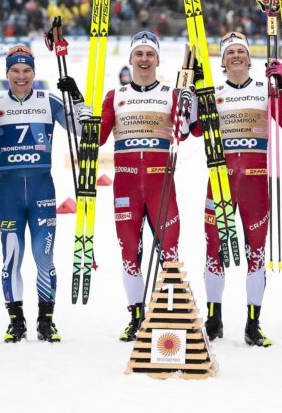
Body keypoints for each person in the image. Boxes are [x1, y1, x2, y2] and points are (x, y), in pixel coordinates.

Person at [0, 45, 90, 343]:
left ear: (34, 72)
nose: (21, 76)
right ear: (7, 73)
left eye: (27, 71)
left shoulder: (48, 101)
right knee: (11, 258)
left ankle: (46, 321)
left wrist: (77, 98)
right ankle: (16, 321)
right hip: (8, 191)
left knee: (44, 257)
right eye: (15, 71)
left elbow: (82, 132)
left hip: (41, 191)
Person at [192, 32, 282, 347]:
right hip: (220, 180)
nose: (236, 56)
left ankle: (253, 323)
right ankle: (214, 318)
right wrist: (196, 91)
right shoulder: (215, 91)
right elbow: (195, 130)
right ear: (222, 61)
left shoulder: (265, 89)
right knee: (214, 250)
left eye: (241, 52)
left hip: (255, 182)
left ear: (249, 58)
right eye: (230, 53)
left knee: (256, 252)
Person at [99, 30, 194, 342]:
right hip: (125, 185)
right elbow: (97, 138)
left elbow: (182, 134)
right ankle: (136, 315)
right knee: (129, 252)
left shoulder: (171, 93)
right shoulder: (115, 96)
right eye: (138, 54)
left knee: (170, 249)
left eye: (149, 54)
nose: (144, 59)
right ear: (130, 59)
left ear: (157, 59)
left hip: (160, 185)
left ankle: (171, 312)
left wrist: (189, 105)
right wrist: (82, 110)